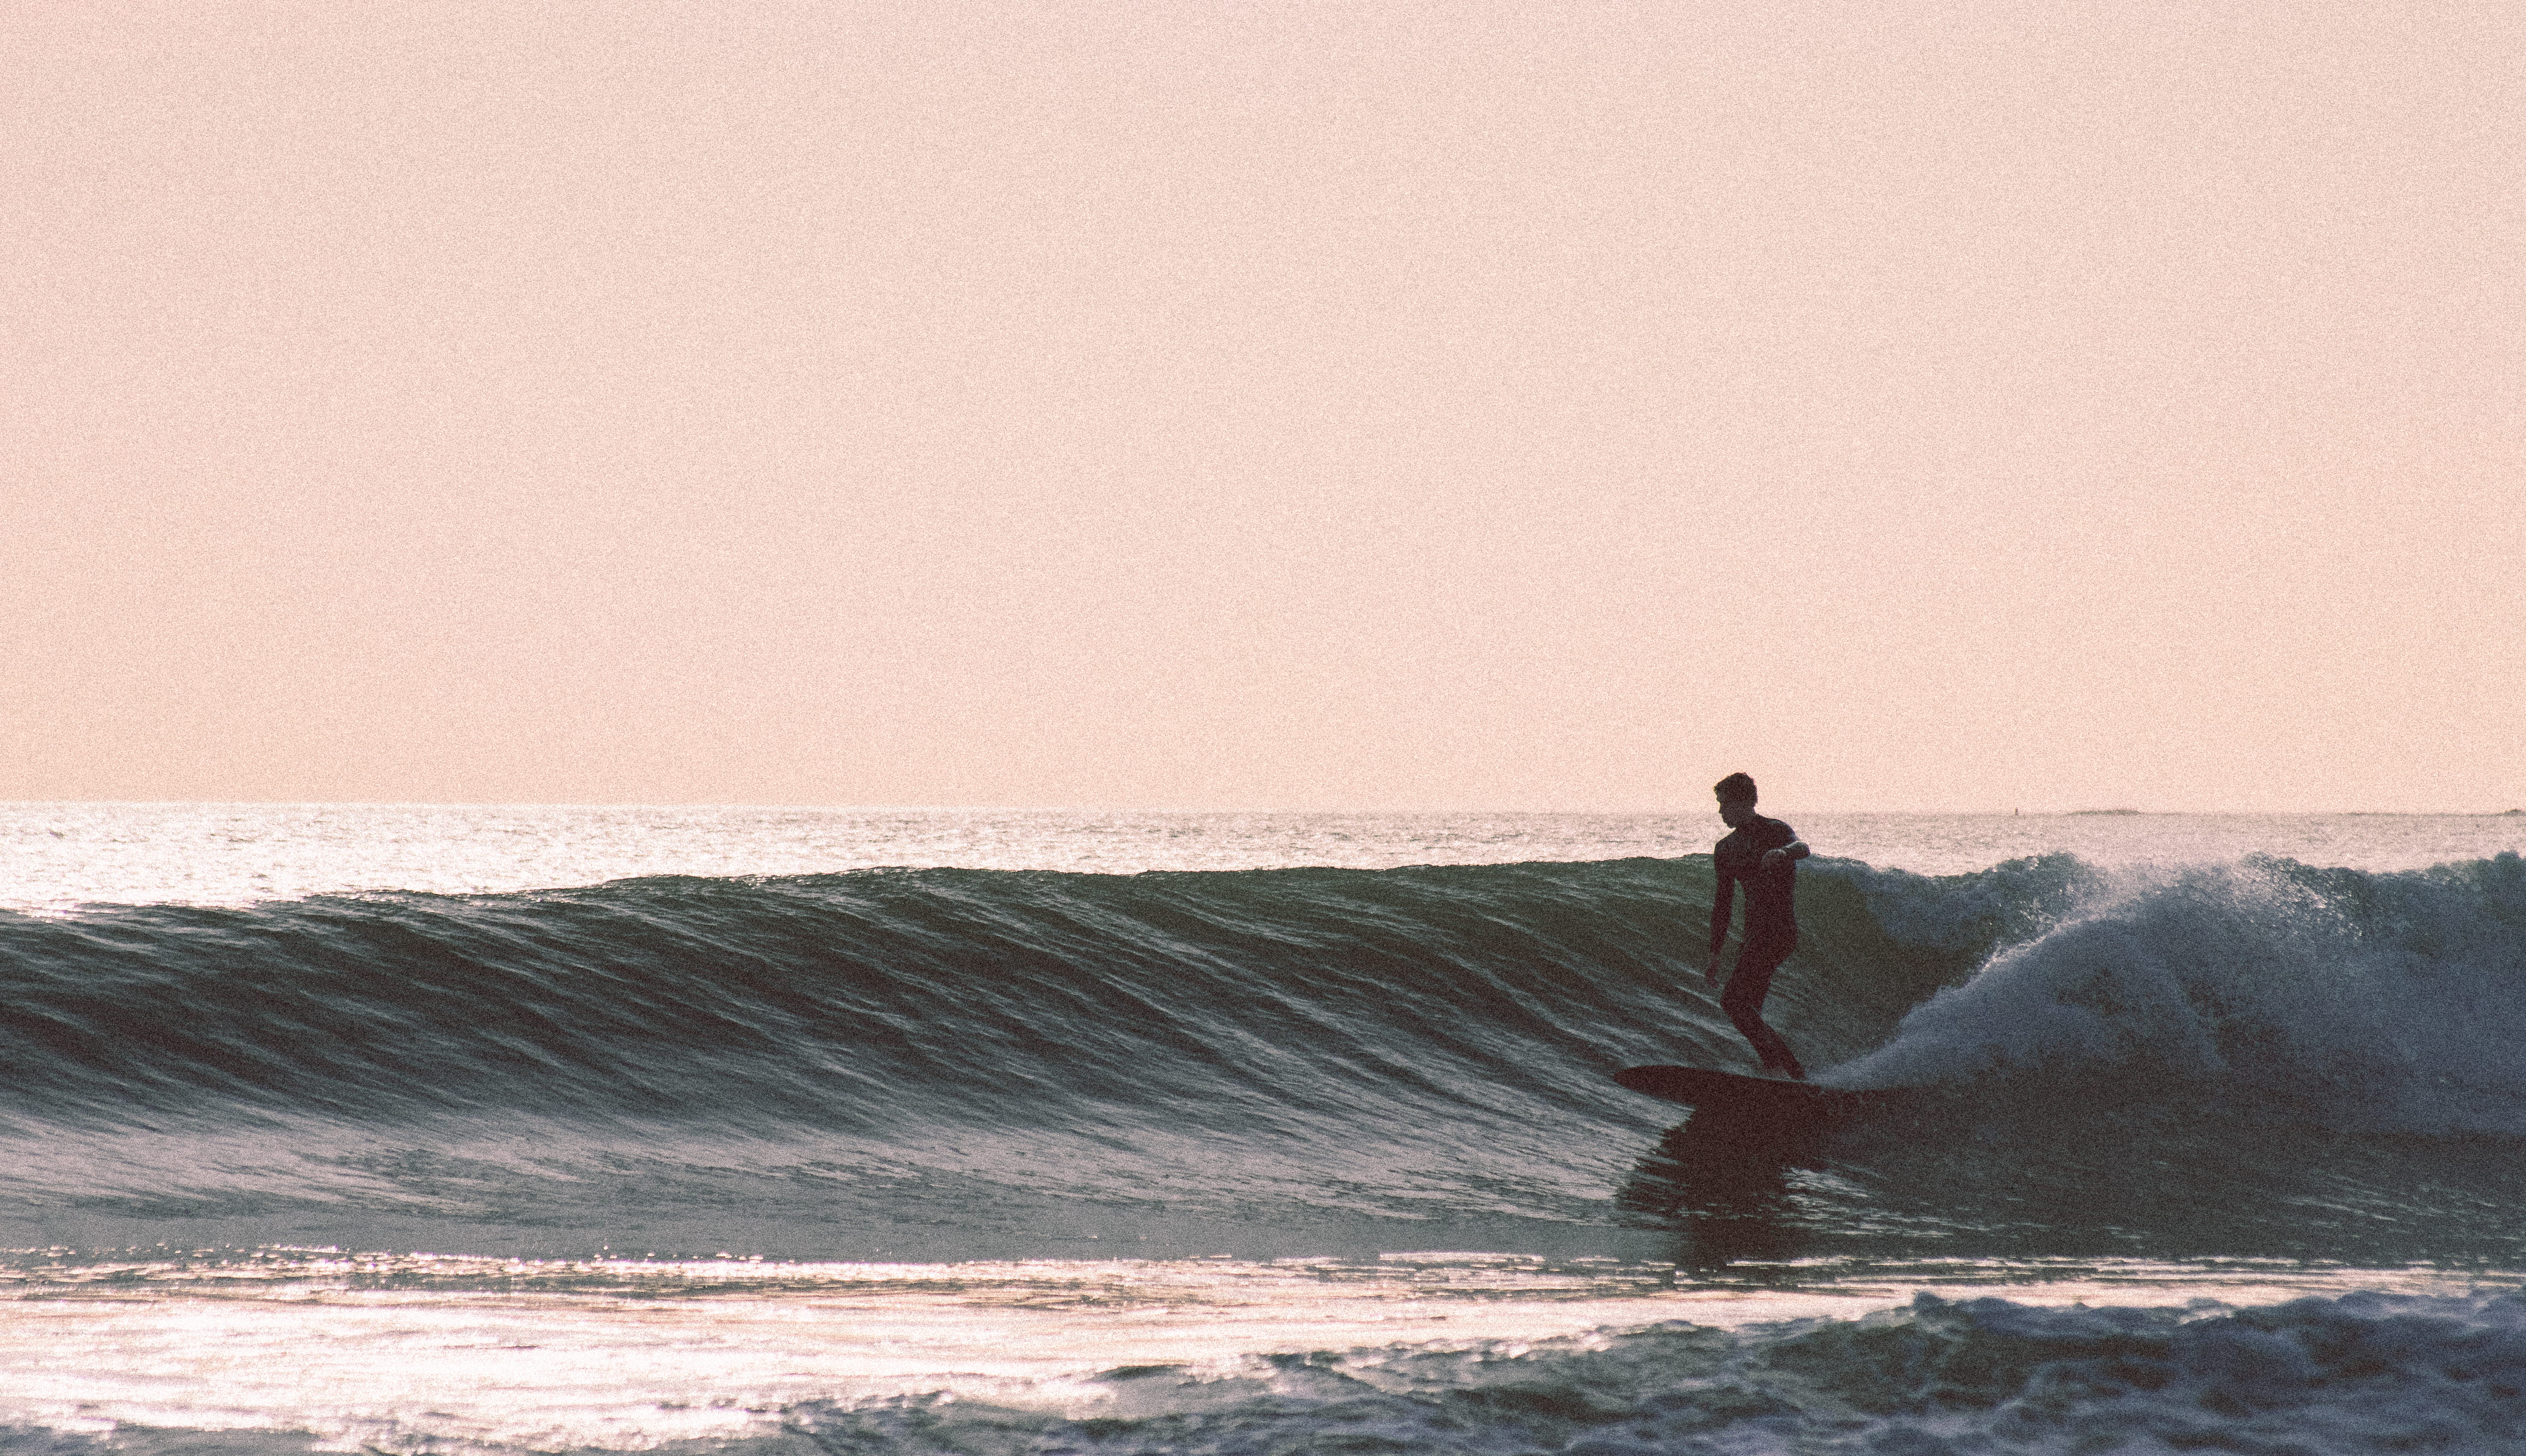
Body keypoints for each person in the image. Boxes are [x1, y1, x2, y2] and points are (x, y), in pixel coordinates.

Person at [1704, 772, 1810, 1080]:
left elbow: (1803, 847)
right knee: (1748, 1008)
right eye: (1719, 804)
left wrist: (1783, 852)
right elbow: (1723, 904)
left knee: (1733, 1002)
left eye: (1725, 804)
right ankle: (1780, 1072)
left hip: (1779, 931)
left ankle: (1789, 1072)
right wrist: (1715, 953)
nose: (1720, 811)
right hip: (1753, 936)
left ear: (1744, 802)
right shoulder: (1725, 848)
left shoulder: (1775, 830)